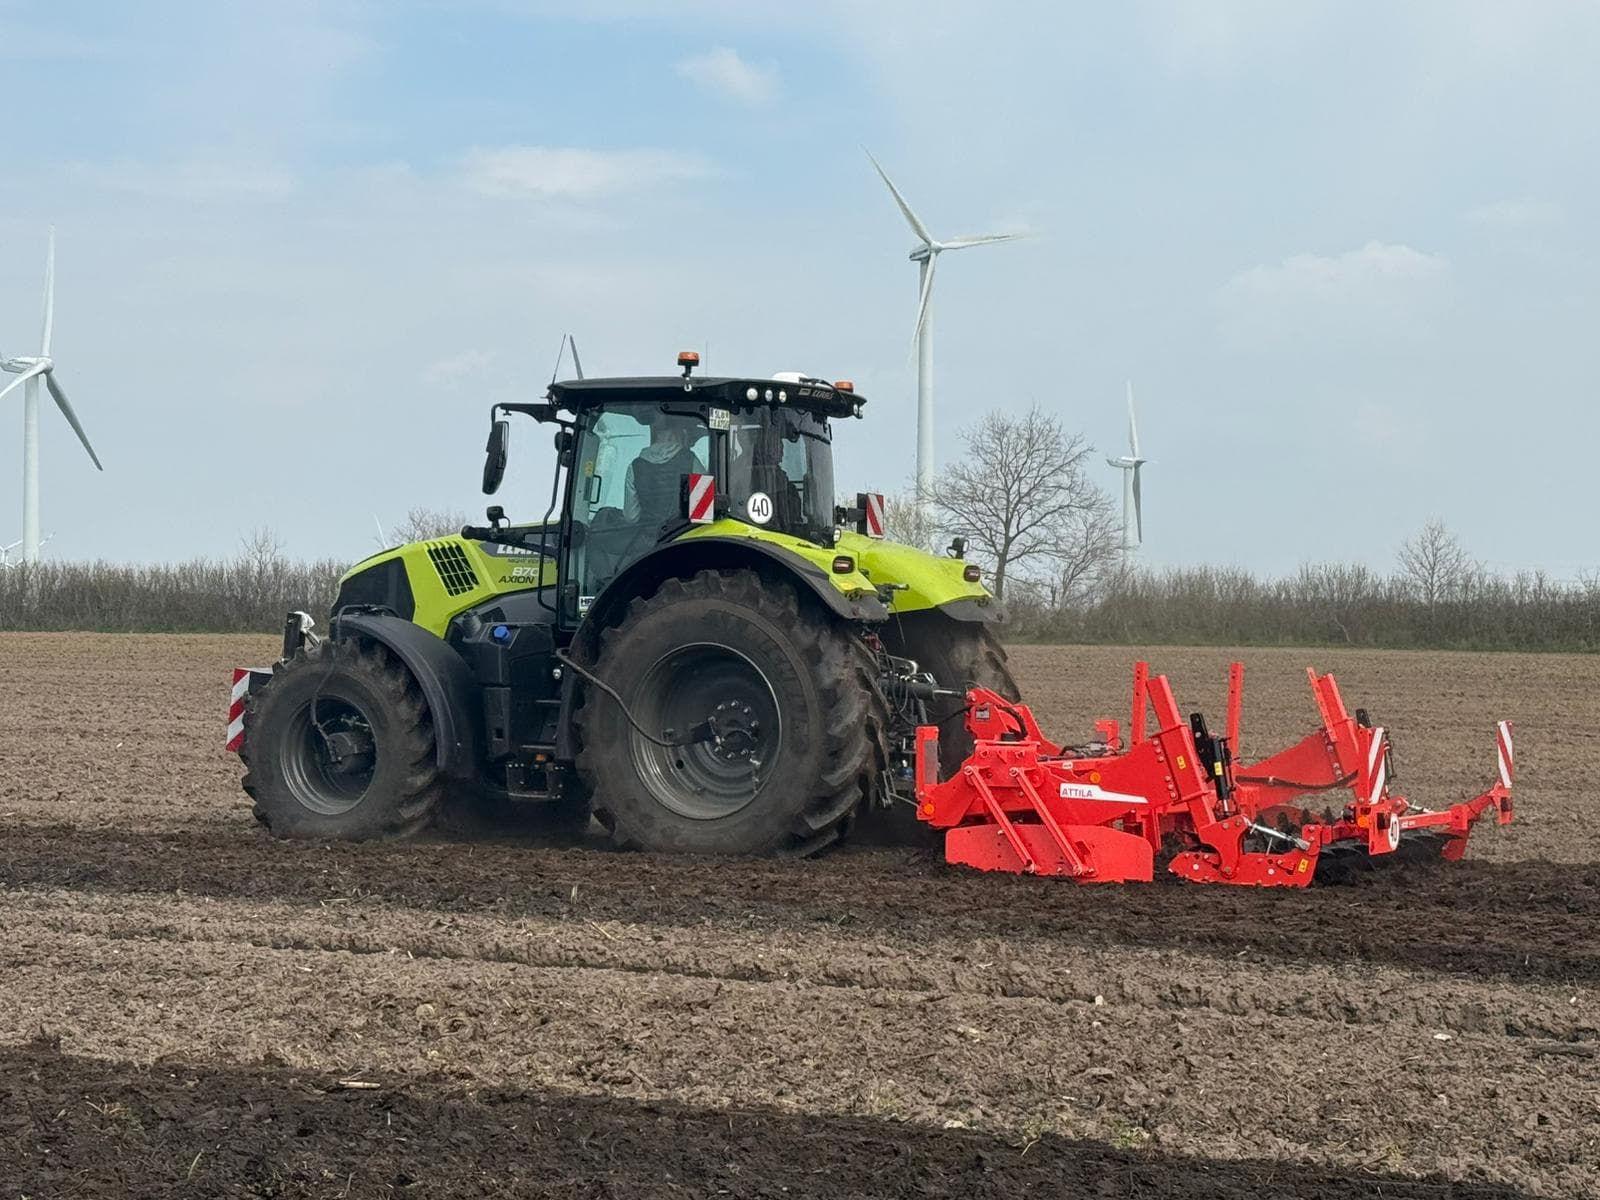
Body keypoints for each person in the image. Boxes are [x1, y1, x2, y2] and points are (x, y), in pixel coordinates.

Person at [623, 421, 704, 524]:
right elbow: (702, 512)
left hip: (649, 536)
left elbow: (631, 517)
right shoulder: (691, 461)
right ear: (676, 434)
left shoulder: (635, 466)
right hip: (680, 534)